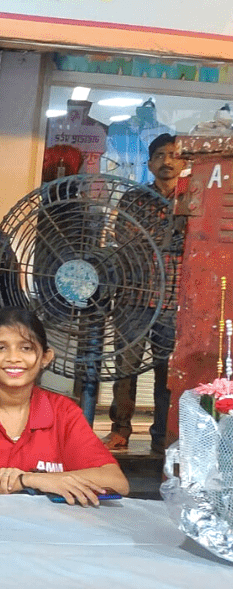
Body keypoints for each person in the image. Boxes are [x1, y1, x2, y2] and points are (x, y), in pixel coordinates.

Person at [0, 308, 130, 505]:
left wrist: (33, 478)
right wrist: (24, 482)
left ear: (45, 358)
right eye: (0, 348)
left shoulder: (62, 410)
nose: (13, 358)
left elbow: (116, 481)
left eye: (26, 348)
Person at [105, 133, 185, 453]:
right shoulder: (132, 199)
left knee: (168, 375)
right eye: (160, 156)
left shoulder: (193, 200)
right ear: (150, 163)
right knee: (125, 370)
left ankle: (162, 434)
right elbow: (124, 243)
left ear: (183, 162)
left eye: (173, 155)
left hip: (174, 300)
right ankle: (120, 429)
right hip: (132, 298)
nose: (167, 161)